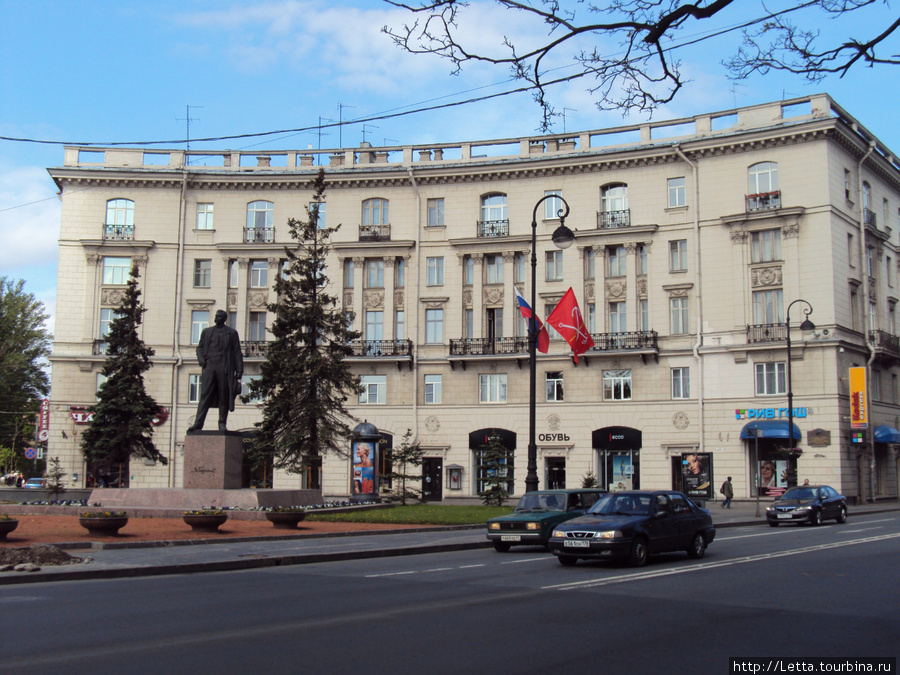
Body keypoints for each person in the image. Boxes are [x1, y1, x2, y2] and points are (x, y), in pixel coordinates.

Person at [188, 309, 244, 432]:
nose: (216, 318)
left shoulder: (232, 333)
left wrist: (239, 370)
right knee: (204, 396)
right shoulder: (207, 332)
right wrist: (202, 360)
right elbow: (200, 348)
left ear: (224, 319)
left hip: (224, 368)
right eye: (216, 316)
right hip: (210, 367)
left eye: (219, 316)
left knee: (223, 396)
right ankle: (198, 423)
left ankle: (222, 423)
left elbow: (237, 352)